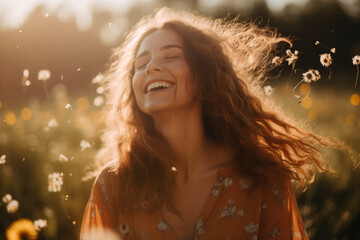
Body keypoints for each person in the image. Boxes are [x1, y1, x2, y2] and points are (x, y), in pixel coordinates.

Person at [80, 7, 342, 240]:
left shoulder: (263, 177)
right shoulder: (114, 185)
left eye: (170, 57)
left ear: (205, 74)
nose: (151, 67)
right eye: (140, 63)